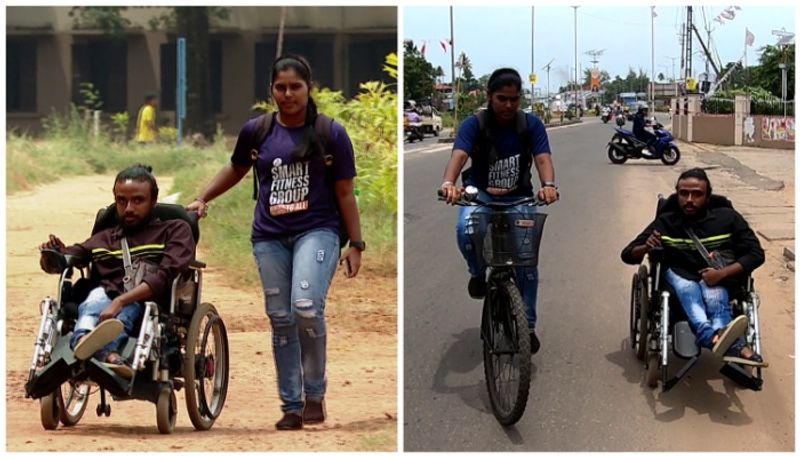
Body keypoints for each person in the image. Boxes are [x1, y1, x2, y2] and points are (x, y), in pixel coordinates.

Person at [186, 54, 363, 430]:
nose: (287, 94)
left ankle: (315, 393)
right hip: (269, 236)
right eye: (280, 88)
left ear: (308, 88)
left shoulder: (330, 133)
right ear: (271, 90)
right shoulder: (258, 130)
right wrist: (202, 199)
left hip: (318, 230)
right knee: (281, 318)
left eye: (295, 87)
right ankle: (291, 406)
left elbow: (345, 193)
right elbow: (237, 168)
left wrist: (357, 244)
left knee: (305, 306)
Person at [440, 67, 559, 355]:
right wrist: (448, 183)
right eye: (502, 98)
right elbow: (459, 155)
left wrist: (549, 185)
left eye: (514, 99)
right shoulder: (475, 124)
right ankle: (477, 272)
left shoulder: (530, 126)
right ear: (490, 96)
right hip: (479, 196)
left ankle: (527, 327)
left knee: (527, 265)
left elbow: (543, 159)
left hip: (519, 198)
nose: (508, 105)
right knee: (465, 230)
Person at [39, 165, 195, 378]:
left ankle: (96, 350)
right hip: (105, 296)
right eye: (121, 201)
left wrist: (121, 301)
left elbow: (164, 276)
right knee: (93, 302)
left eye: (138, 200)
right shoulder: (105, 238)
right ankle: (97, 349)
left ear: (154, 200)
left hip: (146, 300)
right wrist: (51, 255)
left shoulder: (174, 230)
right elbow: (64, 261)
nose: (129, 208)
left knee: (126, 311)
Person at [621, 168, 767, 366]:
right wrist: (646, 247)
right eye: (684, 193)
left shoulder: (728, 219)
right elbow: (628, 254)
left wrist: (721, 274)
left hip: (715, 275)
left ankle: (718, 337)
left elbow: (756, 254)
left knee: (714, 296)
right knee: (688, 289)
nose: (689, 199)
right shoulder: (666, 222)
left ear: (708, 197)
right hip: (678, 275)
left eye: (697, 194)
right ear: (677, 194)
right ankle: (719, 340)